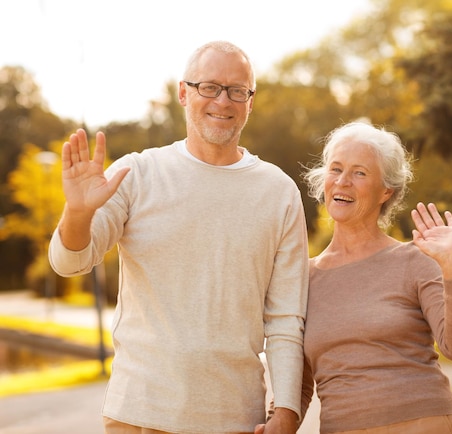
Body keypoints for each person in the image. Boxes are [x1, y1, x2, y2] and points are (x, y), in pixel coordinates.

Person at [48, 41, 309, 434]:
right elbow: (69, 262)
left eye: (238, 90)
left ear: (250, 102)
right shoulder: (136, 174)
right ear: (183, 93)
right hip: (139, 412)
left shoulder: (279, 191)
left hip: (236, 417)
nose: (223, 101)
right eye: (210, 86)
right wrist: (79, 211)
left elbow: (286, 318)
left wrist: (286, 412)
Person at [260, 121, 452, 433]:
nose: (343, 182)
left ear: (386, 190)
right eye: (335, 169)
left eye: (359, 173)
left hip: (421, 424)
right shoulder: (303, 277)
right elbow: (299, 381)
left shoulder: (414, 260)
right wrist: (277, 422)